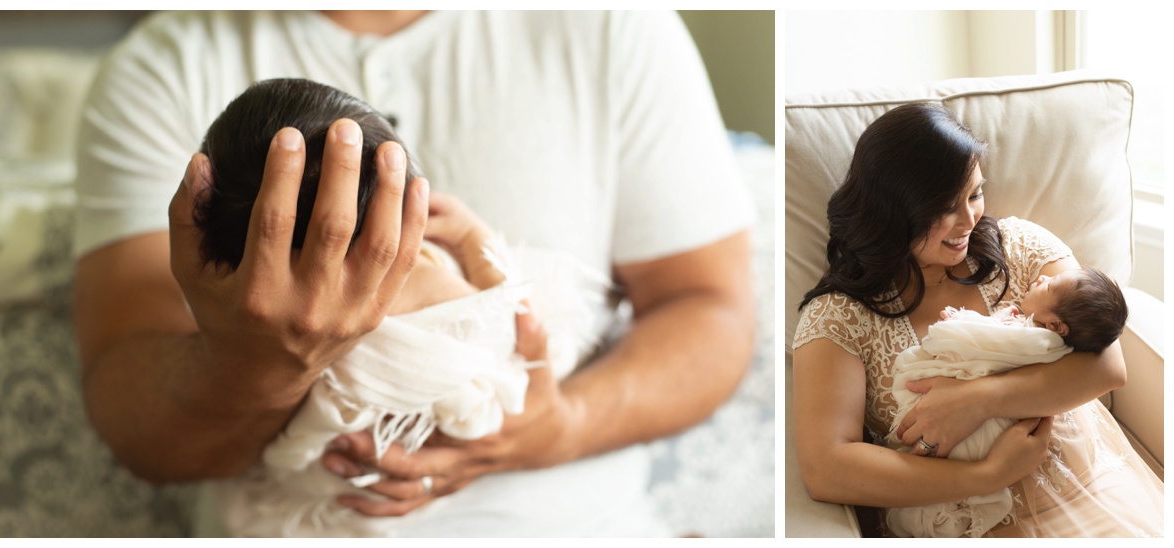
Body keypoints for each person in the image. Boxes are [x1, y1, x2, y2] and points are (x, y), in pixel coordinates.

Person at [72, 11, 754, 537]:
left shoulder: (614, 25)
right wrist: (254, 368)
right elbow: (136, 419)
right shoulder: (160, 67)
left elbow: (711, 308)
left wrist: (559, 424)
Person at [792, 102, 1162, 537]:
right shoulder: (839, 317)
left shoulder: (1021, 246)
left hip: (1095, 491)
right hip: (974, 527)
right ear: (894, 210)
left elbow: (1107, 365)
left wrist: (977, 400)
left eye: (974, 194)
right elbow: (826, 468)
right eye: (946, 207)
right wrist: (988, 474)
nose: (970, 219)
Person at [883, 267, 1129, 537]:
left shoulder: (1041, 340)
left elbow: (986, 345)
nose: (1041, 278)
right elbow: (1000, 346)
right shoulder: (1047, 338)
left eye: (1048, 286)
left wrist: (960, 322)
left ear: (1057, 326)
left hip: (1032, 459)